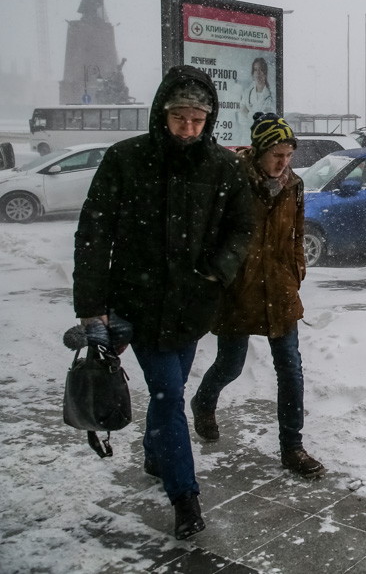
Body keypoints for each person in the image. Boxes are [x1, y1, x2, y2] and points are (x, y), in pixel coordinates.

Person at [72, 65, 254, 540]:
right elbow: (94, 234)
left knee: (166, 392)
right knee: (170, 393)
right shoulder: (126, 159)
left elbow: (242, 228)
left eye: (197, 120)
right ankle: (185, 496)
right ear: (163, 114)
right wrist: (93, 309)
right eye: (179, 118)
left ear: (209, 119)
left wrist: (217, 269)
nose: (188, 129)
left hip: (193, 306)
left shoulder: (225, 167)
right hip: (138, 302)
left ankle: (157, 455)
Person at [191, 113, 325, 479]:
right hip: (239, 289)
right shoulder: (233, 179)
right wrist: (221, 276)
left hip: (279, 288)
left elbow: (296, 235)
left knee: (291, 369)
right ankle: (203, 403)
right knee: (231, 365)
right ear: (259, 151)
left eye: (288, 154)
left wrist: (296, 270)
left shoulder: (293, 185)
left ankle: (292, 447)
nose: (283, 163)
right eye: (276, 154)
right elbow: (213, 234)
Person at [237, 57, 276, 134]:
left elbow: (270, 121)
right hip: (247, 136)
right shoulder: (247, 94)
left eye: (261, 70)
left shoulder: (272, 97)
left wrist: (249, 115)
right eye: (255, 70)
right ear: (252, 73)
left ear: (265, 73)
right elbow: (241, 117)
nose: (258, 73)